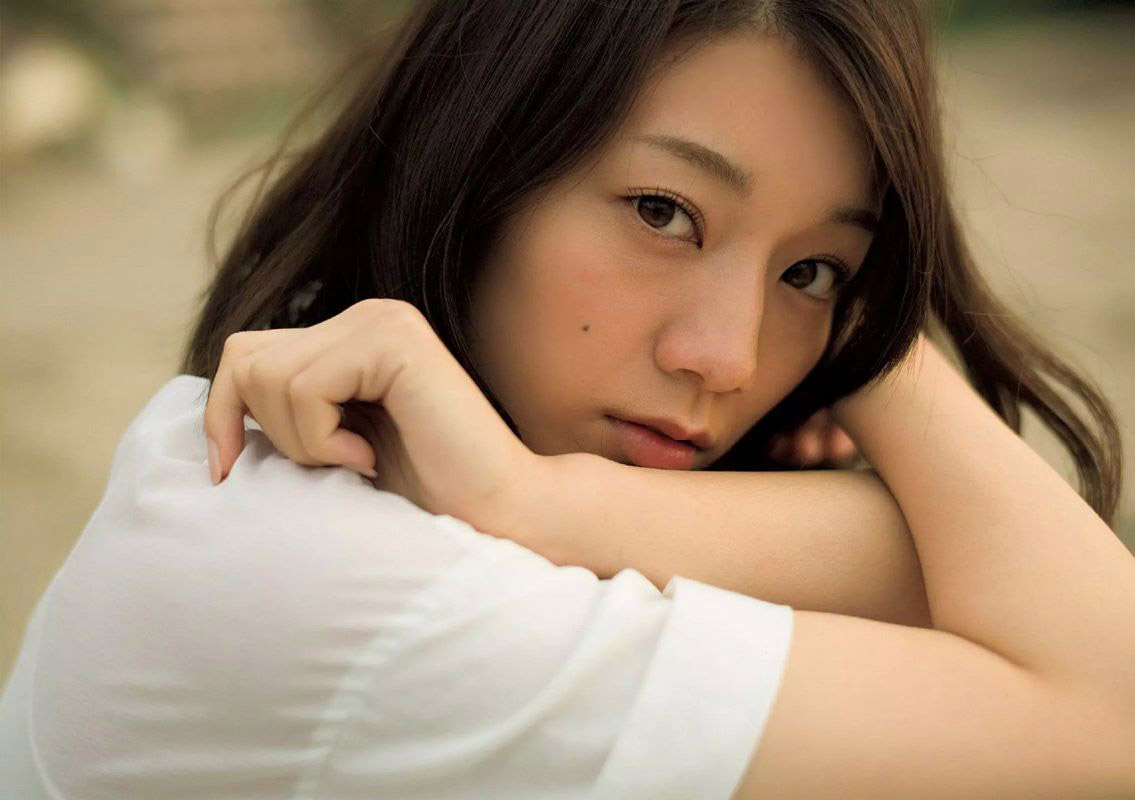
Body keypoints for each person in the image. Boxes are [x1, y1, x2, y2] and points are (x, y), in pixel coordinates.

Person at [2, 1, 1132, 797]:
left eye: (812, 271)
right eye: (662, 212)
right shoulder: (340, 582)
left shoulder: (379, 419)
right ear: (479, 161)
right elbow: (1107, 708)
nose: (728, 357)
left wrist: (545, 501)